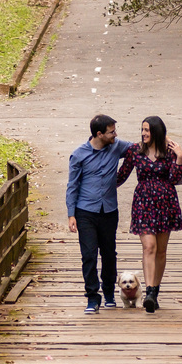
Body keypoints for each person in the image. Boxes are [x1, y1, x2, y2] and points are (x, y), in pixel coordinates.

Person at [117, 116, 182, 313]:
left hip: (166, 203)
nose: (144, 133)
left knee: (161, 250)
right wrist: (96, 186)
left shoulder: (170, 151)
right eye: (142, 130)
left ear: (156, 132)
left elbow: (176, 179)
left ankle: (154, 293)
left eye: (147, 130)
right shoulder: (135, 150)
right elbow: (121, 175)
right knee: (149, 247)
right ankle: (148, 292)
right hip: (143, 203)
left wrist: (179, 158)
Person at [66, 114, 133, 314]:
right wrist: (71, 214)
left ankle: (110, 293)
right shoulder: (79, 154)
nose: (116, 134)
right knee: (89, 255)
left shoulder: (117, 146)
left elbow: (139, 148)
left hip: (109, 211)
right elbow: (72, 186)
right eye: (111, 131)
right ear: (99, 134)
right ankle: (92, 297)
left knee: (109, 253)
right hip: (85, 211)